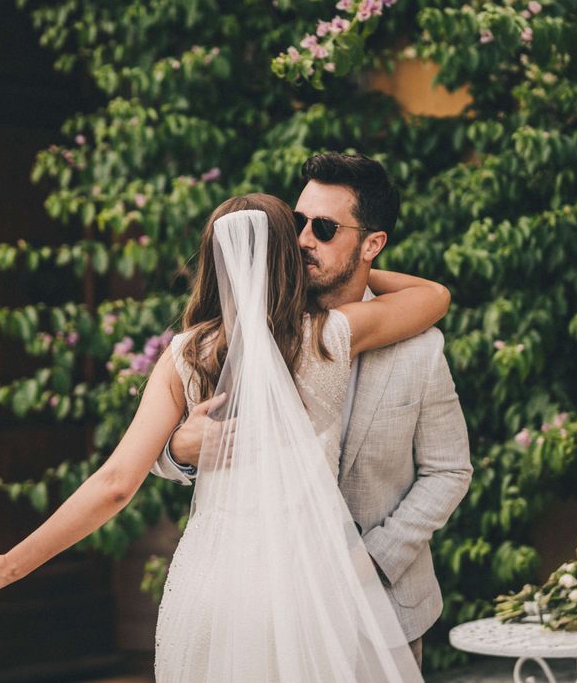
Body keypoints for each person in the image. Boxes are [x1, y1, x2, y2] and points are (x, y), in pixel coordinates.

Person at [0, 192, 450, 680]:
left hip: (214, 582)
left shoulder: (184, 355)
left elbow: (116, 483)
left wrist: (8, 566)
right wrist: (283, 264)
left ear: (213, 262)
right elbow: (432, 296)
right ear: (289, 260)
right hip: (312, 582)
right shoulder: (333, 334)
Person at [152, 153, 473, 667]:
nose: (303, 239)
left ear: (373, 243)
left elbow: (449, 469)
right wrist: (179, 451)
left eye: (324, 228)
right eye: (298, 222)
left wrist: (371, 560)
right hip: (268, 610)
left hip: (386, 607)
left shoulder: (420, 346)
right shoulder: (255, 331)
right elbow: (169, 444)